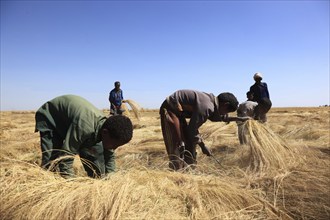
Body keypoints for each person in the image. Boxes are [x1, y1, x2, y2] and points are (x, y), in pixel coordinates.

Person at [35, 95, 133, 178]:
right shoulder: (85, 128)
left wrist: (110, 178)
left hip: (73, 123)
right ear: (105, 133)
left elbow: (109, 156)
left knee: (97, 166)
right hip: (50, 118)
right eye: (114, 145)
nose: (114, 148)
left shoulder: (108, 130)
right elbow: (66, 157)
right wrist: (71, 185)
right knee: (52, 162)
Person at [159, 89, 249, 170]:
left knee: (190, 142)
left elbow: (219, 116)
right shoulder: (206, 106)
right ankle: (176, 171)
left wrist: (238, 119)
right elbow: (192, 129)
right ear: (225, 105)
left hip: (179, 112)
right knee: (177, 144)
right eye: (226, 111)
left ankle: (189, 168)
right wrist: (203, 146)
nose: (225, 114)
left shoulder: (212, 103)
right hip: (170, 108)